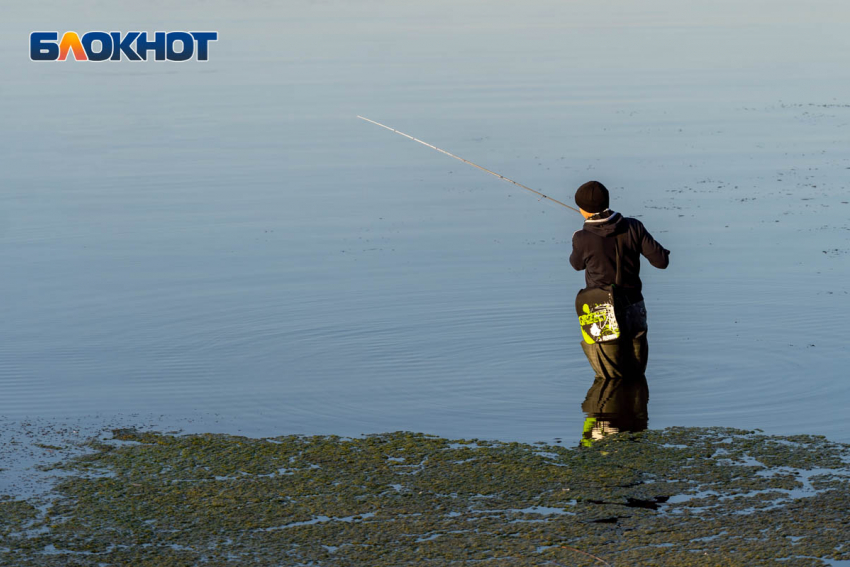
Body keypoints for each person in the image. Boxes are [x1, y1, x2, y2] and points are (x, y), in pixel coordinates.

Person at [570, 180, 670, 377]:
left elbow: (576, 264)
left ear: (584, 210)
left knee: (611, 378)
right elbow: (661, 261)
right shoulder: (634, 226)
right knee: (636, 374)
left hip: (601, 311)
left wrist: (580, 238)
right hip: (634, 306)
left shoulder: (581, 237)